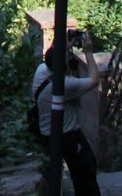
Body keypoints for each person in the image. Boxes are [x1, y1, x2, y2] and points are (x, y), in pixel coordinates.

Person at [32, 30, 104, 196]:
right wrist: (88, 52)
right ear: (61, 66)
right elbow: (94, 80)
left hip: (48, 132)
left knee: (84, 166)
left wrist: (64, 44)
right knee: (85, 174)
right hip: (67, 134)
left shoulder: (42, 70)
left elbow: (53, 55)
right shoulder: (64, 85)